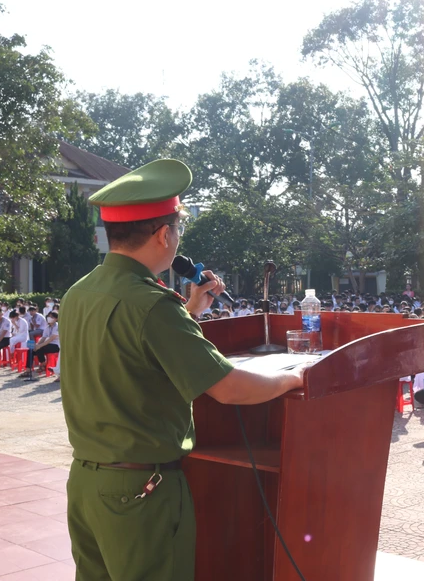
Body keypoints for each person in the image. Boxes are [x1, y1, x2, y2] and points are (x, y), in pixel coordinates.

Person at [63, 159, 306, 579]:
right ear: (163, 234)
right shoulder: (153, 305)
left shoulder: (80, 293)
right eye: (177, 230)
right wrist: (295, 376)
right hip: (142, 493)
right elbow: (228, 388)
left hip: (87, 483)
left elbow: (131, 355)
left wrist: (191, 311)